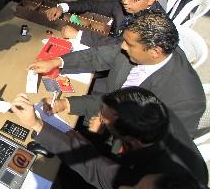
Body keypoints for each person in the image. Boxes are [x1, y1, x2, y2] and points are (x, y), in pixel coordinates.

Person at [31, 10, 205, 136]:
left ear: (155, 52)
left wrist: (113, 126)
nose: (122, 47)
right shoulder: (142, 49)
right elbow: (97, 56)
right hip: (104, 110)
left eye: (129, 45)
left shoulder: (186, 100)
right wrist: (57, 62)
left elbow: (159, 153)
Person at [10, 87, 208, 188]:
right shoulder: (154, 112)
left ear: (132, 139)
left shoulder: (152, 176)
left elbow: (98, 169)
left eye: (105, 119)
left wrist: (38, 125)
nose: (100, 118)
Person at [47, 0, 164, 47]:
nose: (125, 1)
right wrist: (62, 7)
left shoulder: (154, 26)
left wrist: (78, 35)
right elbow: (93, 5)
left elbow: (120, 46)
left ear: (150, 0)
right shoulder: (125, 3)